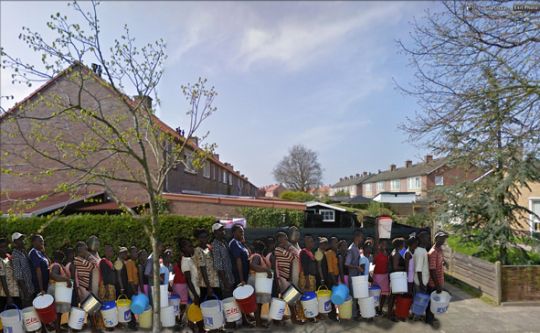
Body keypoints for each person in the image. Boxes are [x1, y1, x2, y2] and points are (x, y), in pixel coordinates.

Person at [274, 231, 303, 325]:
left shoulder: (282, 249)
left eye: (286, 238)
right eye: (284, 238)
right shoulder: (278, 249)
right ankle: (294, 319)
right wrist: (289, 246)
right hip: (282, 278)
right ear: (279, 240)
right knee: (290, 299)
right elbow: (294, 256)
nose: (286, 240)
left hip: (285, 277)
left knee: (285, 298)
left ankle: (279, 319)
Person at [74, 241, 101, 333]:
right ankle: (94, 329)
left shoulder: (80, 259)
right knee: (91, 308)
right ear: (79, 250)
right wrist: (88, 254)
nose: (86, 250)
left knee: (90, 307)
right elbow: (94, 265)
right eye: (85, 249)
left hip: (85, 286)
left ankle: (94, 327)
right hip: (83, 287)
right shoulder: (78, 260)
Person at [179, 238, 203, 332]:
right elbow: (188, 281)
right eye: (189, 246)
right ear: (183, 248)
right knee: (198, 311)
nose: (191, 247)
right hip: (195, 291)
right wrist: (195, 295)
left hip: (200, 288)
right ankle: (199, 329)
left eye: (191, 245)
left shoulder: (191, 258)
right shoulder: (185, 262)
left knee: (200, 311)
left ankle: (199, 328)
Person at [426, 231, 448, 326]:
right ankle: (429, 319)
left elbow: (440, 261)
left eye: (444, 238)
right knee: (431, 301)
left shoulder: (440, 250)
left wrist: (444, 262)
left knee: (434, 301)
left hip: (439, 281)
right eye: (441, 238)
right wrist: (437, 285)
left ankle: (431, 318)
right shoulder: (433, 252)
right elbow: (432, 270)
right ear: (436, 239)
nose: (443, 240)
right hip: (434, 283)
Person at [248, 239, 272, 328]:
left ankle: (258, 321)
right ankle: (258, 323)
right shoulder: (257, 256)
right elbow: (253, 266)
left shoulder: (258, 256)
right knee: (257, 302)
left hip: (257, 280)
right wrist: (266, 270)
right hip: (255, 280)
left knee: (258, 302)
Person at [193, 229, 221, 300]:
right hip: (206, 285)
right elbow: (203, 268)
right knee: (208, 307)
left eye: (206, 237)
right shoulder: (198, 250)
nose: (204, 239)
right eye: (201, 237)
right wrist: (208, 287)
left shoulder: (207, 248)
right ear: (198, 238)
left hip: (214, 282)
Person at [49, 250, 72, 333]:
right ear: (60, 258)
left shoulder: (58, 265)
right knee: (57, 311)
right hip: (55, 289)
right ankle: (57, 330)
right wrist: (67, 280)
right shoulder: (56, 265)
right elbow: (53, 275)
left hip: (58, 289)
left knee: (58, 311)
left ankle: (58, 328)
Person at [114, 247, 137, 330]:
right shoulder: (118, 262)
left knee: (127, 305)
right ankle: (131, 324)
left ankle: (131, 323)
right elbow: (118, 276)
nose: (126, 254)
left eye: (126, 253)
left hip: (124, 287)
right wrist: (122, 288)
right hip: (122, 288)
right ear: (120, 253)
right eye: (125, 253)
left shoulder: (122, 261)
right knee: (126, 306)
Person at [11, 232, 35, 307]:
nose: (23, 241)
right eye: (20, 240)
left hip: (30, 288)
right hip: (25, 291)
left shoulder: (23, 252)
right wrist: (26, 293)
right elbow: (18, 276)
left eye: (22, 239)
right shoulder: (15, 255)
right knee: (28, 313)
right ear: (15, 242)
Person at [211, 222, 234, 298]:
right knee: (227, 303)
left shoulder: (224, 242)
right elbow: (218, 266)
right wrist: (225, 282)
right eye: (220, 230)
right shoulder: (215, 245)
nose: (223, 231)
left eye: (223, 229)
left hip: (230, 278)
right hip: (224, 282)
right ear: (214, 232)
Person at [345, 230, 364, 317]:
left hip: (356, 276)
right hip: (352, 277)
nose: (362, 238)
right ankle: (354, 315)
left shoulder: (356, 247)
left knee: (356, 295)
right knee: (353, 296)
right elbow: (347, 264)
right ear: (357, 237)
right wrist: (357, 267)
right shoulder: (352, 248)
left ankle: (356, 313)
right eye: (361, 237)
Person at [388, 238, 407, 321]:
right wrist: (405, 267)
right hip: (396, 277)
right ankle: (390, 314)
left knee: (395, 295)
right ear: (400, 245)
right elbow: (395, 267)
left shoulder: (396, 251)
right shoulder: (396, 254)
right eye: (403, 243)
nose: (404, 245)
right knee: (393, 296)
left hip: (396, 277)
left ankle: (394, 313)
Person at [0, 238, 21, 310]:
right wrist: (8, 297)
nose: (4, 249)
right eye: (1, 247)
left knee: (17, 314)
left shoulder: (8, 257)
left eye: (5, 246)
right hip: (5, 295)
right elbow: (3, 279)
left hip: (15, 292)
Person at [99, 245, 117, 331]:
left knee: (111, 306)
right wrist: (106, 289)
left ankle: (111, 323)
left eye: (112, 251)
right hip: (106, 287)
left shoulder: (109, 262)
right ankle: (106, 325)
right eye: (110, 251)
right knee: (106, 306)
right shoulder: (103, 262)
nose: (111, 253)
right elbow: (104, 276)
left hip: (111, 287)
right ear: (105, 252)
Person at [144, 240, 164, 305]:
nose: (162, 248)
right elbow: (147, 273)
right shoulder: (151, 258)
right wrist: (158, 277)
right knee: (154, 305)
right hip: (153, 287)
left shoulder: (156, 257)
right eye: (161, 247)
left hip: (156, 286)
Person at [372, 239, 390, 316]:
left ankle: (380, 309)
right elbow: (373, 262)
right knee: (376, 294)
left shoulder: (387, 253)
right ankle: (375, 309)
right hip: (377, 275)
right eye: (382, 244)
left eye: (385, 244)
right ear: (379, 244)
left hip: (385, 275)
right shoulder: (377, 252)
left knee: (384, 294)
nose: (384, 245)